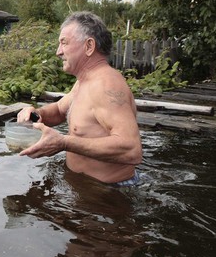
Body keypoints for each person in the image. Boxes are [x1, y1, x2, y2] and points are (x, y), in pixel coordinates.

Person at [16, 11, 142, 187]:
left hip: (109, 196)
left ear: (89, 46)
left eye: (64, 43)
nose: (58, 52)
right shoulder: (84, 81)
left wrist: (64, 142)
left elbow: (132, 149)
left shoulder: (106, 85)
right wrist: (35, 114)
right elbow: (60, 110)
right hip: (88, 189)